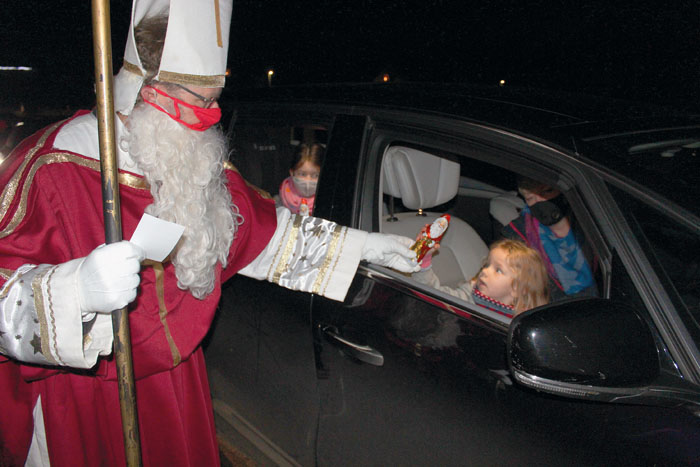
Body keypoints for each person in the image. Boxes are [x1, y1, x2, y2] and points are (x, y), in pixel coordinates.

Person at [0, 2, 419, 465]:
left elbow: (261, 235)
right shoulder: (56, 164)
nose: (213, 116)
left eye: (216, 97)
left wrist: (365, 248)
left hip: (178, 386)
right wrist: (73, 291)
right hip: (82, 399)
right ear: (144, 88)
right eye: (199, 101)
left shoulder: (191, 155)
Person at [502, 176, 597, 301]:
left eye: (548, 191)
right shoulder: (517, 235)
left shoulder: (589, 221)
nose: (541, 201)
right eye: (531, 198)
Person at [414, 238, 549, 317]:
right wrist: (423, 261)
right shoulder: (468, 297)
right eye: (487, 265)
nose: (484, 271)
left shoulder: (524, 320)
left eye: (498, 270)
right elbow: (432, 293)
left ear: (517, 288)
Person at [274, 142, 323, 215]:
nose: (307, 180)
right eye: (302, 174)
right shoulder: (280, 199)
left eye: (315, 175)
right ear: (292, 172)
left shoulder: (328, 203)